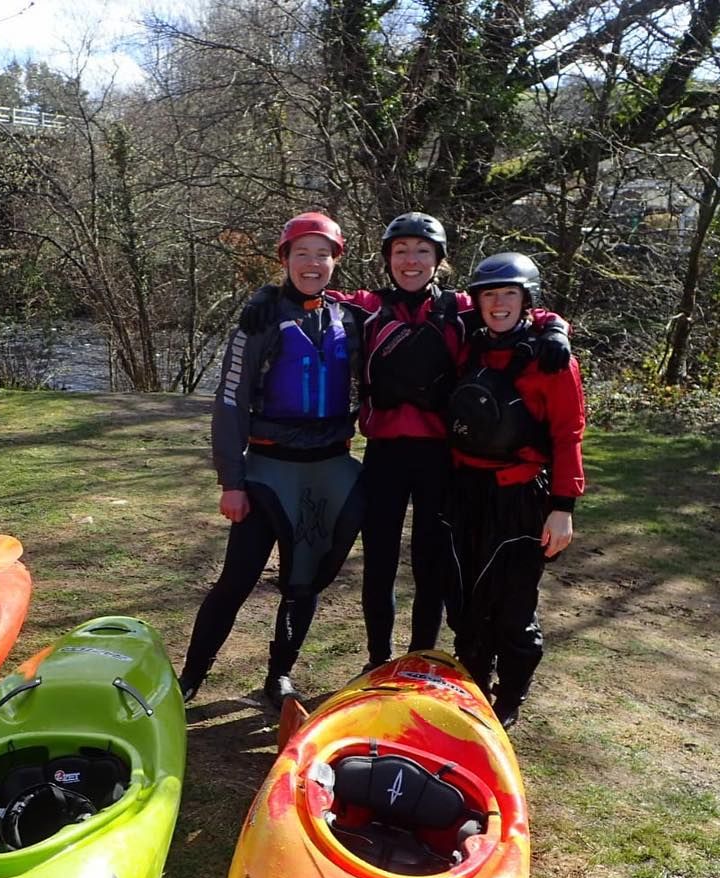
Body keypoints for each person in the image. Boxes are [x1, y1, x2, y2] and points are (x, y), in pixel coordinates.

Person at [240, 211, 571, 672]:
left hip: (441, 457)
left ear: (439, 260)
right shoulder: (366, 305)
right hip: (386, 456)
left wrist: (554, 326)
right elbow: (307, 291)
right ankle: (378, 658)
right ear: (388, 259)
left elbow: (515, 304)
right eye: (401, 251)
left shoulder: (461, 308)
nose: (411, 260)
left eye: (422, 251)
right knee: (379, 563)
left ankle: (420, 656)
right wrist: (266, 295)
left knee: (431, 563)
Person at [177, 211, 365, 708]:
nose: (312, 263)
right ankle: (192, 675)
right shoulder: (260, 317)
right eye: (300, 253)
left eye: (322, 254)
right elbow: (231, 399)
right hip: (268, 469)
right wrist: (231, 479)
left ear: (336, 261)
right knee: (236, 579)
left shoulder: (351, 318)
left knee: (303, 582)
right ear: (284, 259)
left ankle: (278, 676)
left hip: (330, 468)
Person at [442, 252, 586, 728]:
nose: (498, 303)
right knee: (464, 603)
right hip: (466, 493)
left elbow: (568, 434)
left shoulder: (551, 359)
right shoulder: (469, 344)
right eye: (489, 294)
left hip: (521, 498)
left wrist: (562, 507)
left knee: (512, 606)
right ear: (476, 301)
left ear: (527, 300)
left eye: (510, 294)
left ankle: (511, 696)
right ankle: (475, 685)